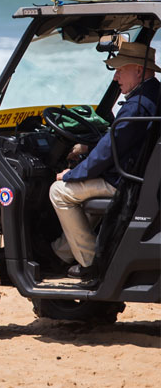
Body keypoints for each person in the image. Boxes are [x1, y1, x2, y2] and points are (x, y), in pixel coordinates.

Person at [50, 41, 160, 279]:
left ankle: (92, 263)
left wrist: (71, 174)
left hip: (126, 182)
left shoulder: (136, 106)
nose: (115, 77)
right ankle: (59, 254)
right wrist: (88, 148)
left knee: (59, 192)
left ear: (139, 70)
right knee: (81, 192)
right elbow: (118, 142)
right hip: (139, 175)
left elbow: (108, 153)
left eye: (120, 70)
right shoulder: (153, 95)